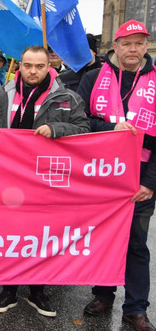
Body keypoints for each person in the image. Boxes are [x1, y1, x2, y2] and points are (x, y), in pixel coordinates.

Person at [0, 45, 89, 317]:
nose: (33, 71)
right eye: (27, 65)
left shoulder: (67, 96)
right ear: (20, 65)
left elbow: (84, 129)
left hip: (45, 179)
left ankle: (37, 291)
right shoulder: (4, 92)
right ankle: (8, 290)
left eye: (39, 66)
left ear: (48, 67)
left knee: (41, 236)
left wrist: (57, 128)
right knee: (9, 234)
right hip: (9, 176)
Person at [76, 20, 156, 331]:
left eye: (138, 43)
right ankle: (103, 295)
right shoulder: (93, 77)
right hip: (100, 174)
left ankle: (135, 308)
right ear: (116, 46)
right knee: (103, 237)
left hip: (140, 177)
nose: (133, 49)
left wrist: (150, 182)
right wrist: (111, 127)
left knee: (136, 244)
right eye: (127, 43)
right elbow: (79, 122)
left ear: (145, 46)